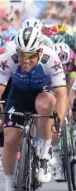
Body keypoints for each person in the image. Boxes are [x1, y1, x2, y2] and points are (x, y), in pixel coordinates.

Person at [0, 27, 68, 191]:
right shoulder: (9, 58)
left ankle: (43, 156)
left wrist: (59, 120)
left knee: (46, 103)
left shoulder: (51, 59)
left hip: (43, 94)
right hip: (18, 97)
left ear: (40, 52)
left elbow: (62, 94)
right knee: (9, 140)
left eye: (30, 55)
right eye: (22, 54)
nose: (25, 60)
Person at [50, 42, 76, 181]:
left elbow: (72, 91)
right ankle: (57, 164)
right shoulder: (49, 64)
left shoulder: (72, 64)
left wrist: (71, 108)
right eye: (62, 66)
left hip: (68, 86)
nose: (64, 68)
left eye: (67, 65)